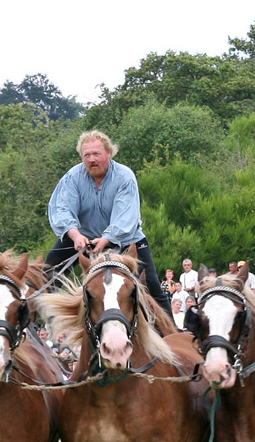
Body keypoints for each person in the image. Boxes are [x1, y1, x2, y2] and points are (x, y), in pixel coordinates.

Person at [45, 130, 170, 324]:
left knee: (152, 287)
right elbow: (62, 209)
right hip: (82, 237)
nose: (92, 159)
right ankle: (40, 327)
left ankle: (172, 334)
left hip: (125, 238)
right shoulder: (72, 177)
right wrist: (76, 235)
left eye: (96, 154)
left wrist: (106, 239)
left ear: (109, 153)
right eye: (87, 155)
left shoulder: (124, 176)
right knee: (46, 276)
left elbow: (125, 216)